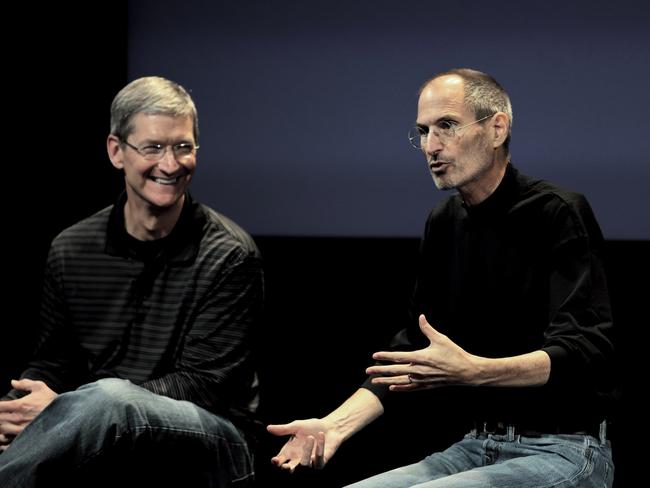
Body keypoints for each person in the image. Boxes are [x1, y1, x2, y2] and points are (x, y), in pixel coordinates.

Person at [267, 68, 616, 487]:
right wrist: (335, 426)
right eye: (423, 131)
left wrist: (476, 370)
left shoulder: (558, 211)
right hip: (476, 445)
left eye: (446, 126)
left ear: (497, 128)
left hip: (565, 449)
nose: (432, 146)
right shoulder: (444, 221)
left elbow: (584, 351)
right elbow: (414, 348)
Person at [0, 76, 263, 487]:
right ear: (116, 151)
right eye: (153, 147)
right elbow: (53, 360)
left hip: (213, 437)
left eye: (183, 147)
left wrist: (68, 412)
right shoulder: (72, 247)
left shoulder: (230, 254)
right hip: (100, 424)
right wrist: (15, 407)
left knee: (109, 398)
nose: (171, 164)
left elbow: (203, 384)